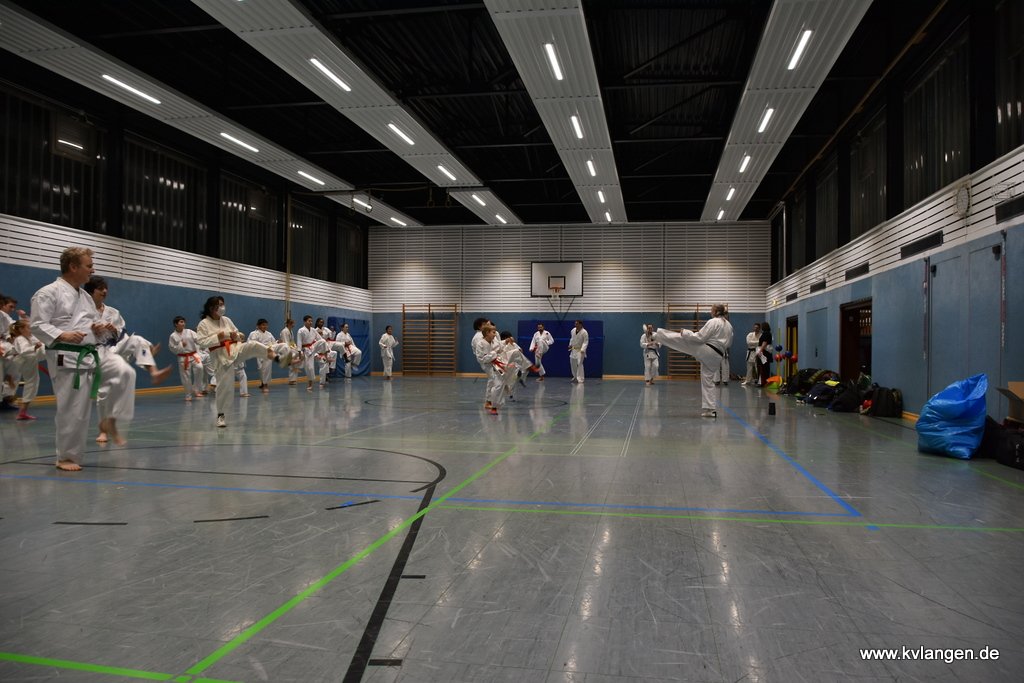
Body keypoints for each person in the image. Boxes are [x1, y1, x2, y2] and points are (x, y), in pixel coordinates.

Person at [30, 247, 137, 470]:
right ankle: (66, 457)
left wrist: (101, 329)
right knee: (73, 410)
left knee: (125, 372)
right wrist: (62, 334)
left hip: (90, 353)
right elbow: (38, 325)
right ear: (73, 267)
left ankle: (110, 419)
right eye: (89, 266)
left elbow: (89, 326)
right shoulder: (48, 293)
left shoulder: (85, 296)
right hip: (66, 357)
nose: (93, 270)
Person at [84, 276, 171, 443]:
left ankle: (153, 371)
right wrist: (91, 330)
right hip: (96, 351)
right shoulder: (83, 312)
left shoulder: (113, 312)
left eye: (105, 288)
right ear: (91, 292)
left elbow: (122, 334)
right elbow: (77, 332)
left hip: (114, 346)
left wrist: (114, 330)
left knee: (137, 339)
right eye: (100, 288)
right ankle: (103, 430)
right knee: (104, 392)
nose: (105, 291)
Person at [195, 295, 292, 428]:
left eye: (223, 304)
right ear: (212, 308)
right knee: (225, 388)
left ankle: (278, 358)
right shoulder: (204, 324)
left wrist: (237, 335)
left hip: (235, 349)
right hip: (221, 357)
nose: (222, 307)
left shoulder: (226, 320)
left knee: (253, 345)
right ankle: (221, 415)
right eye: (219, 305)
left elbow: (239, 334)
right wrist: (218, 337)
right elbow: (201, 342)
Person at [653, 303, 734, 418]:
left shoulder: (713, 322)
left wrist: (686, 333)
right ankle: (710, 410)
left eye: (711, 310)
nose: (710, 312)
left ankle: (656, 335)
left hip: (708, 350)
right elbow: (729, 343)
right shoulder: (729, 326)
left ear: (716, 312)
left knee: (683, 340)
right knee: (707, 381)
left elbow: (700, 337)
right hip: (718, 356)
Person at [9, 319, 44, 420]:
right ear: (21, 329)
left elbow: (36, 341)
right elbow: (24, 351)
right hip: (24, 362)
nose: (31, 330)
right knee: (31, 383)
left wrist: (38, 345)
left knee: (32, 383)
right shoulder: (20, 339)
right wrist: (35, 347)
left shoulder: (28, 337)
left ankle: (23, 412)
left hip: (28, 361)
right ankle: (22, 412)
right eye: (29, 328)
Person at [169, 315, 205, 401]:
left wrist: (203, 341)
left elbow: (198, 340)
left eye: (184, 322)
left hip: (194, 355)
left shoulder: (189, 332)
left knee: (200, 368)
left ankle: (196, 389)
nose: (183, 323)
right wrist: (181, 345)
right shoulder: (173, 336)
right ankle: (188, 394)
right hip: (183, 357)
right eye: (181, 322)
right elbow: (172, 348)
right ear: (176, 324)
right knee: (186, 376)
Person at [474, 324, 504, 414]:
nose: (495, 334)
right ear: (487, 333)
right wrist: (494, 354)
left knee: (494, 382)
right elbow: (481, 359)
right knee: (496, 382)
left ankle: (489, 402)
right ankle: (493, 404)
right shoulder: (480, 344)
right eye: (493, 332)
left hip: (496, 363)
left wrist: (506, 343)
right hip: (487, 365)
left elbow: (500, 349)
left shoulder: (494, 341)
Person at [296, 315, 325, 391]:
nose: (311, 322)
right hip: (306, 349)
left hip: (313, 346)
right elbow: (299, 342)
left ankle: (325, 354)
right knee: (309, 368)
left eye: (311, 321)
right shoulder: (300, 330)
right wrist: (300, 354)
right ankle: (310, 383)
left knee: (323, 341)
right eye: (309, 321)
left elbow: (319, 338)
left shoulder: (313, 330)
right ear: (305, 321)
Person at [248, 318, 276, 393]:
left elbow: (273, 342)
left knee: (267, 369)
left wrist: (277, 342)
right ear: (258, 326)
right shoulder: (254, 333)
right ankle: (263, 383)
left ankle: (265, 385)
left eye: (266, 325)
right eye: (263, 325)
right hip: (259, 353)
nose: (265, 326)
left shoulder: (269, 334)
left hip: (268, 352)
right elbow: (251, 343)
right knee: (261, 369)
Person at [278, 318, 299, 384]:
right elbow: (286, 342)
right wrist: (292, 349)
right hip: (285, 349)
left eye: (293, 323)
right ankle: (291, 380)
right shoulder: (284, 331)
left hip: (291, 348)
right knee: (292, 363)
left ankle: (293, 379)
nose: (293, 325)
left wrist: (295, 347)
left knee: (295, 362)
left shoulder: (291, 331)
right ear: (288, 324)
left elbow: (292, 341)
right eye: (292, 323)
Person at [755, 322, 773, 388]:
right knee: (766, 368)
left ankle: (762, 382)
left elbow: (764, 342)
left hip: (764, 352)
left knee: (762, 368)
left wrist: (760, 350)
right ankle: (764, 381)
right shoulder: (769, 333)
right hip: (767, 352)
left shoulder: (765, 333)